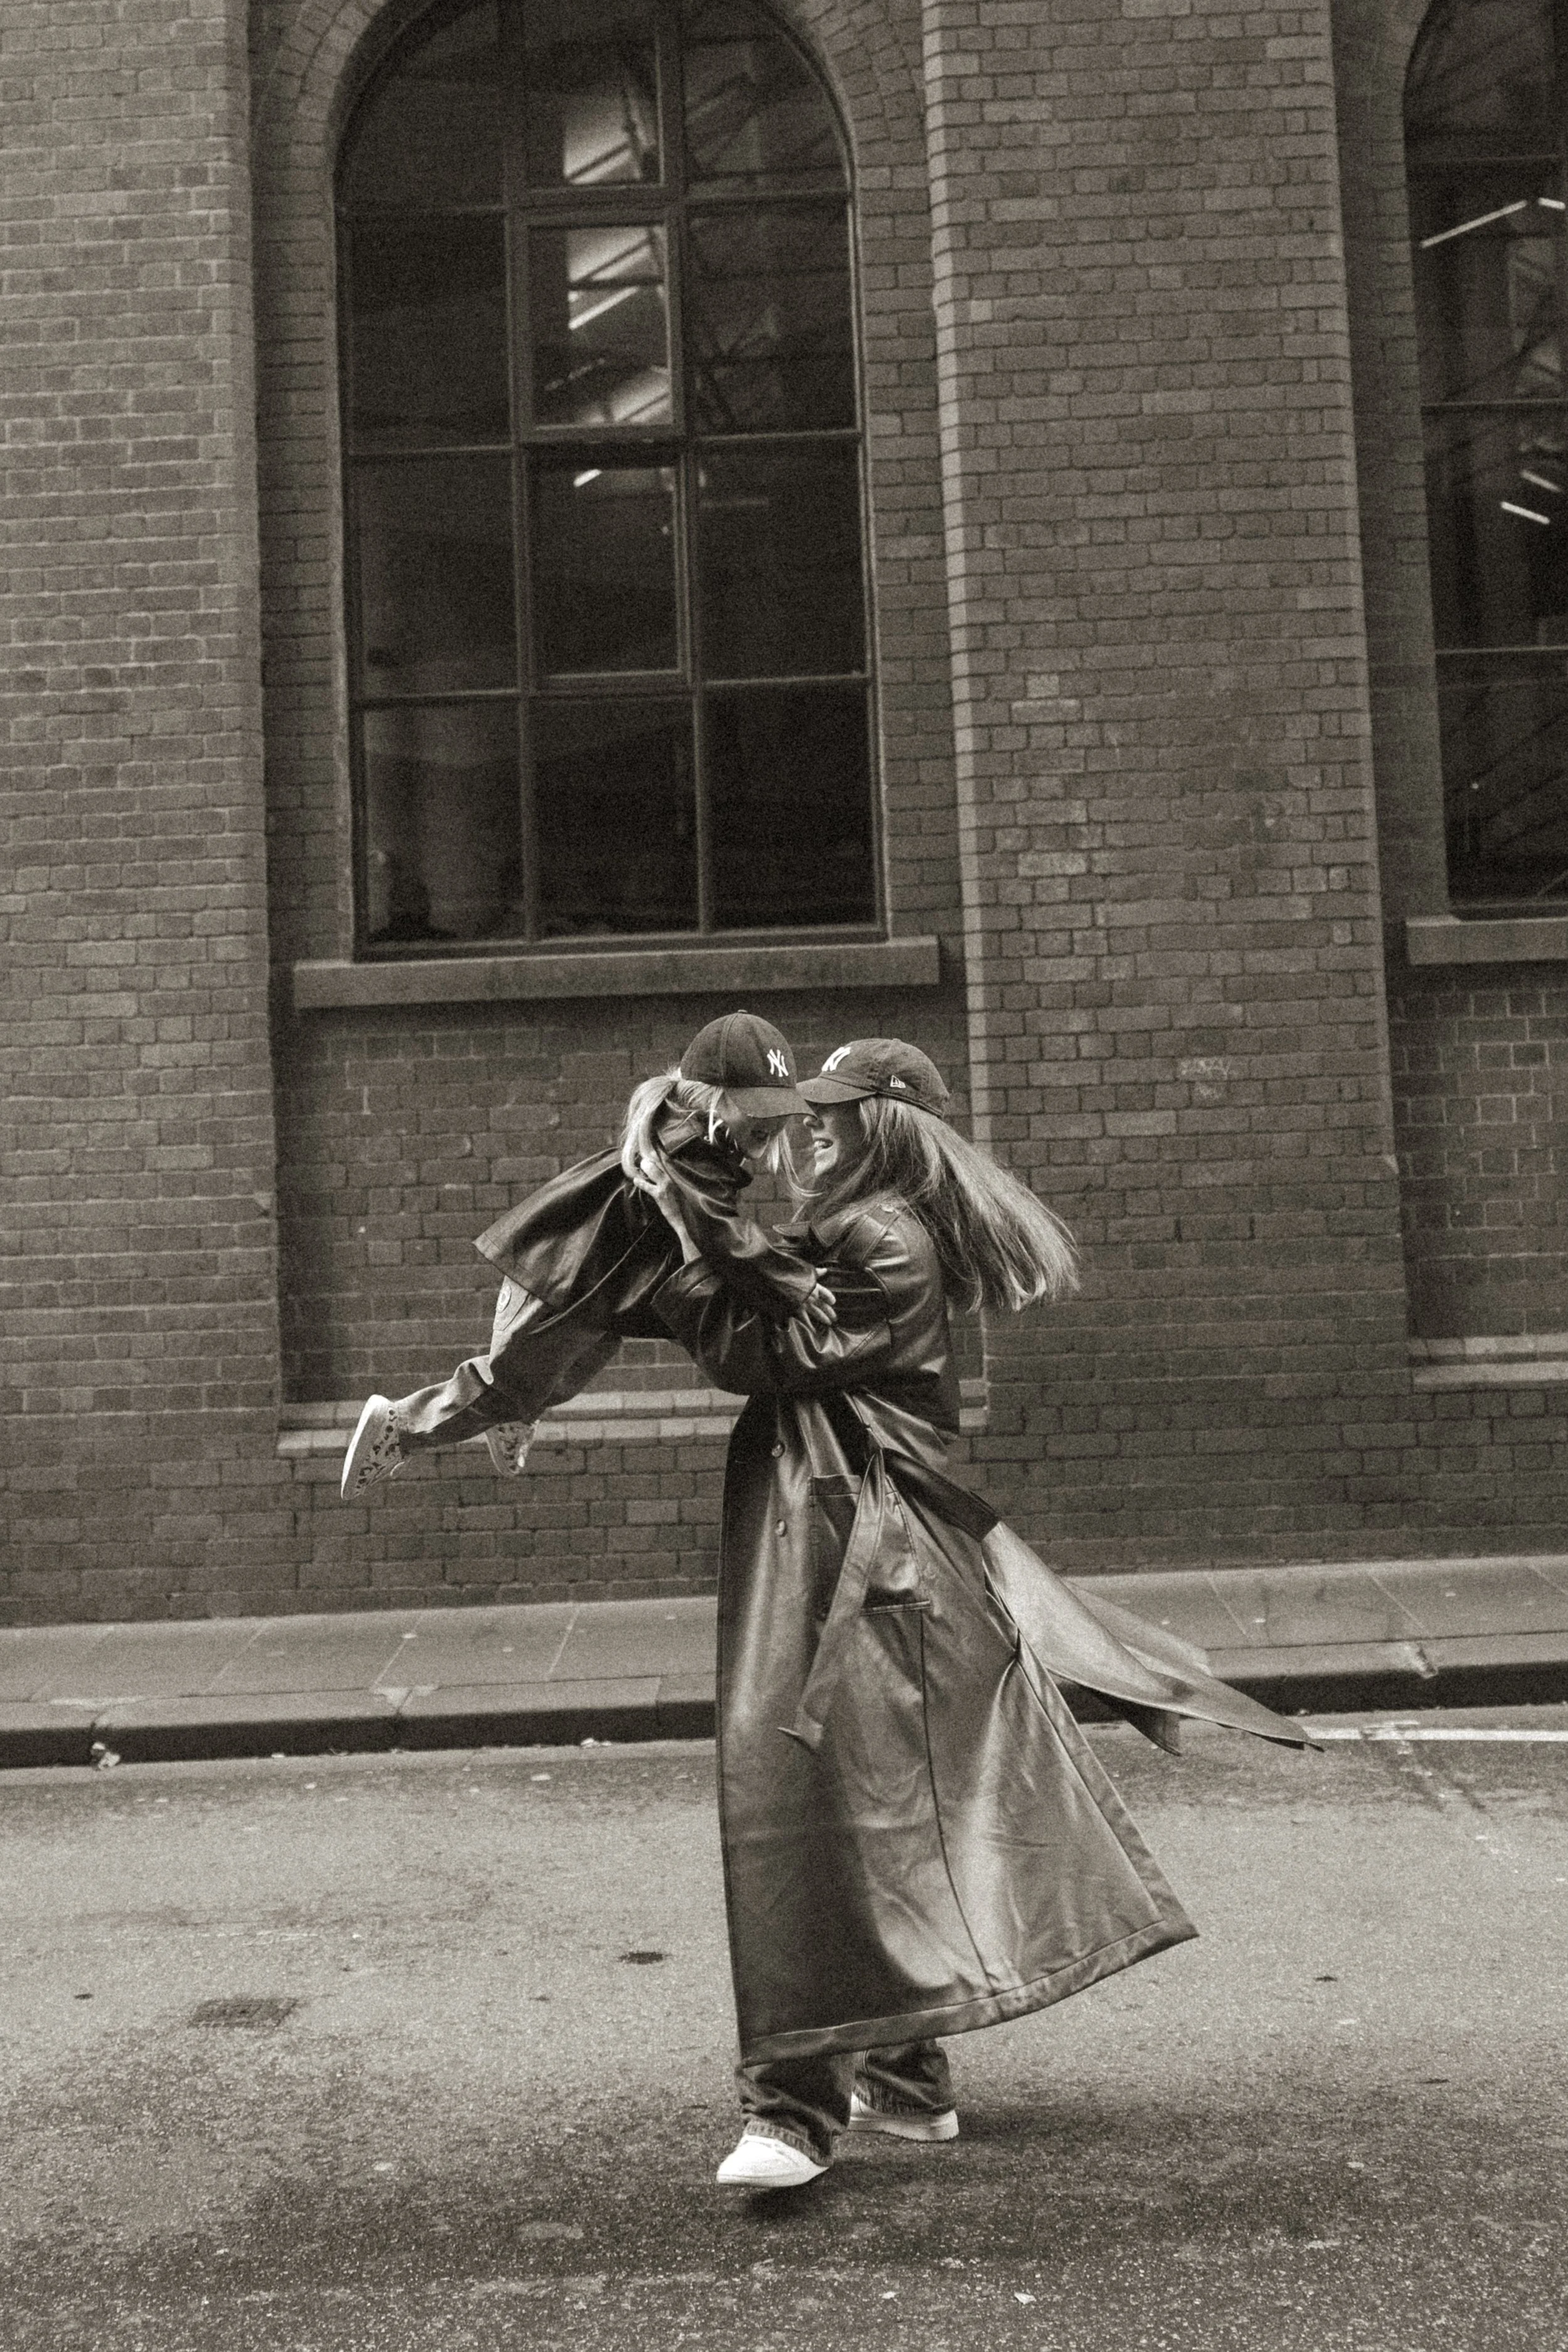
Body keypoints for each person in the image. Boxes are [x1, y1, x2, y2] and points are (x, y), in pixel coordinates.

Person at [637, 1037, 1308, 2191]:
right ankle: (905, 2081)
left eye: (836, 1116)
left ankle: (789, 2112)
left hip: (861, 1564)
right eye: (809, 1113)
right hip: (860, 1552)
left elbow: (768, 1348)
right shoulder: (856, 1227)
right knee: (876, 1807)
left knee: (795, 1812)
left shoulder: (883, 1234)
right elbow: (747, 1302)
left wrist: (687, 1194)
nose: (810, 1129)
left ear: (890, 1128)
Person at [338, 1012, 832, 1500]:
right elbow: (722, 1233)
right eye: (755, 1106)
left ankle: (517, 1413)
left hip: (590, 1290)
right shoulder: (687, 1151)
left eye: (777, 1106)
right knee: (505, 1384)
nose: (772, 1120)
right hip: (558, 1285)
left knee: (570, 1373)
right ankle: (398, 1425)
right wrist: (791, 1282)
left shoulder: (701, 1143)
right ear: (711, 1099)